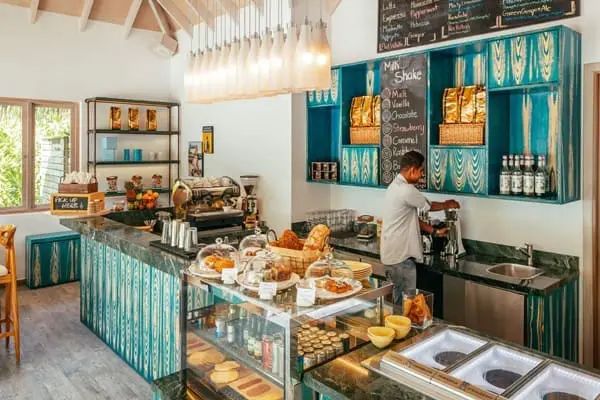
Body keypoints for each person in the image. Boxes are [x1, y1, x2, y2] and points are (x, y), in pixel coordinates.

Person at [381, 151, 460, 311]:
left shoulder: (394, 186)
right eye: (421, 171)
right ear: (412, 170)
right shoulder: (406, 190)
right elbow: (429, 206)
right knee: (406, 305)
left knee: (398, 304)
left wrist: (433, 232)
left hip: (392, 256)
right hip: (401, 258)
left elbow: (411, 219)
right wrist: (448, 204)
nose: (422, 175)